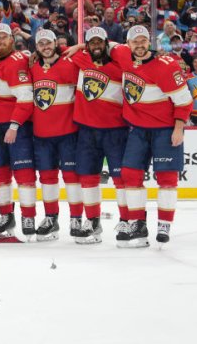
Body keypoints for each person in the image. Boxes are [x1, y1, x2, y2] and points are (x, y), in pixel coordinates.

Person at [109, 26, 193, 247]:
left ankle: (164, 224)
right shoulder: (123, 54)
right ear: (128, 44)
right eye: (135, 41)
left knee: (167, 179)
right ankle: (138, 222)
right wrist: (79, 45)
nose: (139, 45)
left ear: (150, 42)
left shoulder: (166, 66)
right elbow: (108, 46)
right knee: (129, 174)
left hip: (165, 130)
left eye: (143, 41)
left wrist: (178, 128)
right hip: (137, 129)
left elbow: (184, 101)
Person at [65, 27, 126, 244]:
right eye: (92, 42)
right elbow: (53, 51)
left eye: (100, 42)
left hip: (115, 130)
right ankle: (92, 223)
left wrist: (81, 45)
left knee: (121, 179)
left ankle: (127, 221)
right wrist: (79, 47)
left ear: (107, 43)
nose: (96, 46)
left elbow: (128, 50)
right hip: (87, 130)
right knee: (88, 178)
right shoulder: (82, 60)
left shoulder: (121, 65)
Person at [0, 23, 35, 239]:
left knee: (23, 173)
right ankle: (6, 215)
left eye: (5, 37)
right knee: (0, 173)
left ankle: (28, 216)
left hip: (15, 127)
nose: (1, 41)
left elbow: (25, 98)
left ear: (12, 40)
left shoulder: (17, 62)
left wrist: (14, 125)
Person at [29, 29, 80, 241]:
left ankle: (76, 218)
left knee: (71, 177)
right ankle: (51, 218)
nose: (45, 47)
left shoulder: (72, 62)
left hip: (68, 132)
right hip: (41, 134)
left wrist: (79, 46)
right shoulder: (31, 67)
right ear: (37, 47)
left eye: (48, 43)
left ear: (55, 43)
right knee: (47, 178)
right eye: (40, 44)